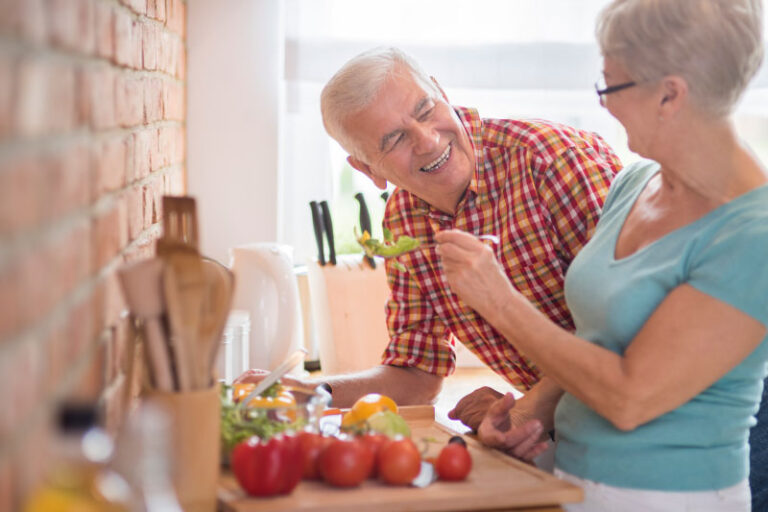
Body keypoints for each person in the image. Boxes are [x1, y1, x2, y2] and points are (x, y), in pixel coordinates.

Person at [436, 0, 767, 509]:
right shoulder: (633, 183)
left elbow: (629, 397)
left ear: (670, 95)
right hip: (572, 478)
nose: (604, 104)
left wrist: (498, 300)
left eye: (611, 85)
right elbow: (597, 343)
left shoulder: (753, 234)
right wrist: (529, 418)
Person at [237, 46, 620, 461]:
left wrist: (526, 412)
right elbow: (418, 372)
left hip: (652, 423)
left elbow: (626, 322)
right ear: (368, 170)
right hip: (575, 434)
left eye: (424, 110)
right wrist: (317, 392)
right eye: (395, 139)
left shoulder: (551, 161)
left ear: (440, 90)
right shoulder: (403, 220)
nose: (427, 140)